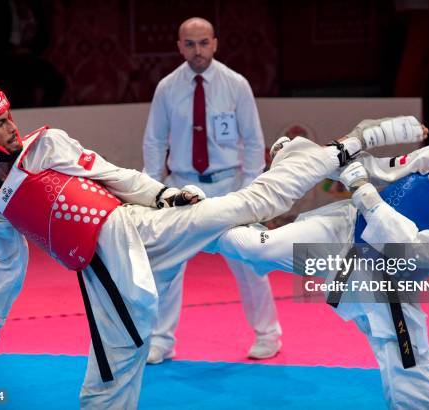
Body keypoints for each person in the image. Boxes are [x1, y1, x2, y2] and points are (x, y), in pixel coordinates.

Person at [0, 81, 346, 408]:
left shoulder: (46, 145)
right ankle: (340, 241)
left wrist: (163, 196)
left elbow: (113, 176)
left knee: (245, 224)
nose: (11, 129)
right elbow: (7, 259)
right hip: (100, 269)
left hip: (138, 227)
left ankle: (336, 156)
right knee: (112, 370)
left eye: (7, 118)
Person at [209, 109, 429, 409]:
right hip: (344, 231)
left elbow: (412, 247)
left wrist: (365, 193)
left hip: (388, 282)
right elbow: (381, 170)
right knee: (256, 247)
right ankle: (191, 221)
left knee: (414, 389)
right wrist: (309, 156)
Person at [142, 17, 281, 363]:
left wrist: (252, 191)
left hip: (230, 185)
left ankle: (268, 334)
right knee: (165, 266)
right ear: (179, 47)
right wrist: (151, 191)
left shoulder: (236, 84)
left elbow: (253, 142)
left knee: (250, 261)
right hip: (180, 188)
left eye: (204, 43)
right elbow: (155, 142)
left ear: (215, 43)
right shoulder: (167, 88)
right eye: (190, 44)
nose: (198, 50)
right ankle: (161, 340)